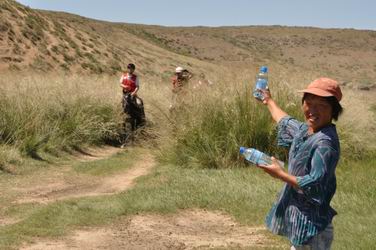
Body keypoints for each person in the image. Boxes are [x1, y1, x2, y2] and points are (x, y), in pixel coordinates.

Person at [256, 78, 343, 249]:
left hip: (314, 227)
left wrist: (280, 174)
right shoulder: (306, 130)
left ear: (334, 111)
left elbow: (314, 181)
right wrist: (268, 100)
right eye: (309, 103)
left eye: (321, 106)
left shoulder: (325, 143)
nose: (312, 110)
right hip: (302, 222)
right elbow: (285, 121)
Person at [120, 63, 145, 132]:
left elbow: (137, 86)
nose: (130, 69)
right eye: (129, 68)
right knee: (121, 104)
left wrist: (134, 93)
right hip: (125, 94)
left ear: (133, 69)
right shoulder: (124, 75)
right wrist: (124, 86)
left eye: (131, 68)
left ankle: (141, 117)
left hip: (133, 94)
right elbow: (121, 83)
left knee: (139, 102)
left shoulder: (135, 77)